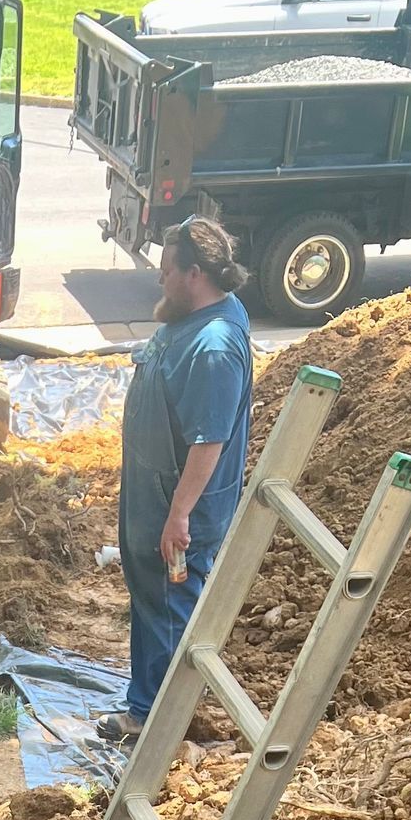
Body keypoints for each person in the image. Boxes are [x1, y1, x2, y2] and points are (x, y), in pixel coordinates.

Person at [100, 215, 255, 745]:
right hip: (155, 493)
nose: (159, 278)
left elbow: (208, 441)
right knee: (152, 599)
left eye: (166, 270)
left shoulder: (213, 348)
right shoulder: (194, 315)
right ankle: (145, 703)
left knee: (169, 606)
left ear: (195, 274)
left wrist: (180, 514)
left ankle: (160, 723)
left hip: (177, 504)